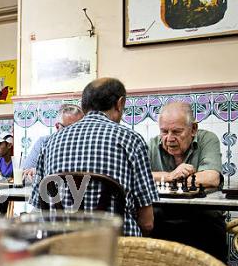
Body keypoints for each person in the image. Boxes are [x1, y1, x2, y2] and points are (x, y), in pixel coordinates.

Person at [29, 77, 158, 237]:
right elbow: (147, 222)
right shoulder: (131, 140)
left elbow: (38, 207)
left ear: (84, 105)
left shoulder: (50, 142)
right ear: (120, 103)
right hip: (116, 250)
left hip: (62, 250)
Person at [148, 101, 227, 263]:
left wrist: (167, 178)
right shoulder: (153, 144)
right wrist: (169, 176)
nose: (169, 138)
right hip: (164, 219)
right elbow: (140, 176)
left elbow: (212, 177)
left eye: (177, 132)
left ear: (193, 129)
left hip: (202, 219)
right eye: (164, 131)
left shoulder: (207, 139)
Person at [22, 104, 85, 180]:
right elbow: (25, 172)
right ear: (57, 126)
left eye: (80, 128)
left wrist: (41, 171)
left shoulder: (88, 144)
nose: (74, 133)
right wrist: (33, 171)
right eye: (68, 129)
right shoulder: (44, 142)